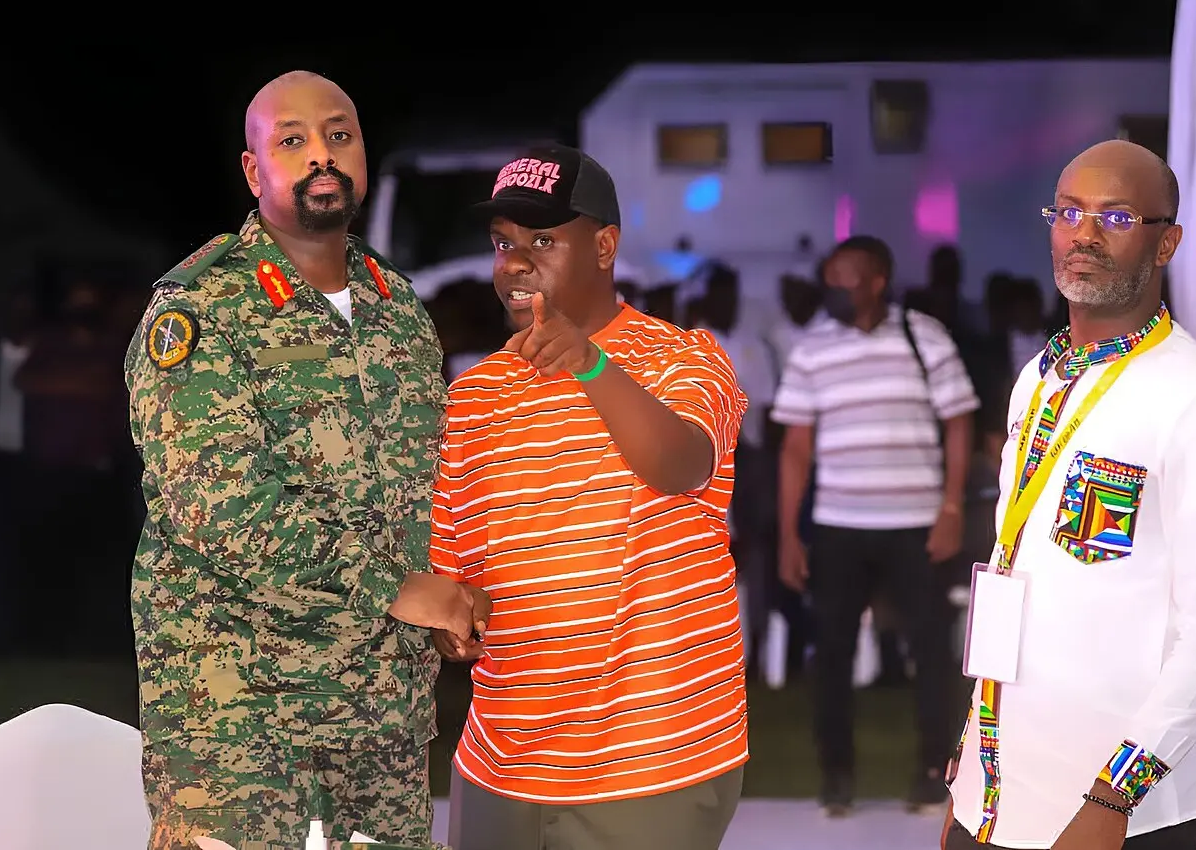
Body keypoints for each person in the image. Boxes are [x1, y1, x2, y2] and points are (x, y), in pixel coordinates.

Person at [124, 70, 479, 850]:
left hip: (382, 722)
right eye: (293, 140)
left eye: (339, 135)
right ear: (254, 171)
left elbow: (425, 486)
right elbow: (220, 508)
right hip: (243, 727)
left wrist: (448, 596)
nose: (322, 154)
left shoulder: (398, 309)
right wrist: (399, 589)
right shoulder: (200, 310)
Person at [429, 144, 749, 850]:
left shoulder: (684, 357)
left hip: (651, 759)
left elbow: (680, 464)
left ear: (604, 247)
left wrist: (590, 363)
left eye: (542, 241)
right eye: (503, 243)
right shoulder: (472, 396)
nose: (516, 263)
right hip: (500, 763)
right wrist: (453, 616)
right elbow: (455, 569)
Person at [943, 139, 1196, 850]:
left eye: (1115, 217)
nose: (1084, 233)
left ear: (1166, 243)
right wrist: (974, 762)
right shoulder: (1039, 378)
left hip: (1123, 803)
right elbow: (1012, 570)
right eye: (1069, 212)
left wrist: (1114, 796)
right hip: (1001, 788)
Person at [772, 234, 979, 817]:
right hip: (839, 525)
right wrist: (789, 534)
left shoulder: (923, 336)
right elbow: (795, 448)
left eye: (844, 277)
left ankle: (934, 770)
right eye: (829, 278)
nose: (832, 288)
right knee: (832, 653)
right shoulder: (813, 347)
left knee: (931, 650)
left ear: (877, 281)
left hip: (916, 524)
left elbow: (959, 423)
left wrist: (952, 507)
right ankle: (836, 775)